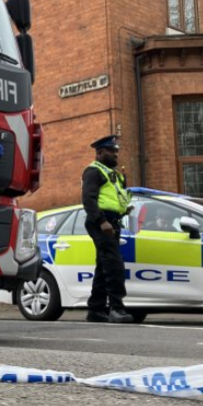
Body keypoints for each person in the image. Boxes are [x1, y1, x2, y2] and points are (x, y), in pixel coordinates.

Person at [81, 135, 135, 324]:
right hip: (101, 223)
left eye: (116, 151)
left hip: (112, 222)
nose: (115, 154)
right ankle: (116, 307)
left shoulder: (114, 174)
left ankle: (95, 309)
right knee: (114, 264)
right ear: (100, 152)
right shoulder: (93, 171)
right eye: (112, 151)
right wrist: (102, 221)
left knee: (104, 264)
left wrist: (125, 209)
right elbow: (88, 199)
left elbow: (113, 198)